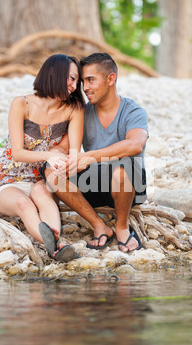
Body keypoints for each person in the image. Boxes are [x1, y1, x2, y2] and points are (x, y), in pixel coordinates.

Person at [43, 52, 148, 253]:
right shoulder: (83, 111)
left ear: (111, 79)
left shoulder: (134, 111)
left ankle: (122, 227)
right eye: (83, 81)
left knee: (121, 170)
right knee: (50, 171)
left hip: (128, 186)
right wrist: (57, 157)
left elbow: (135, 144)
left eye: (91, 80)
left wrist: (88, 157)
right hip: (93, 183)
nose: (85, 88)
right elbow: (63, 147)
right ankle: (99, 226)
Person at [0, 54, 85, 261]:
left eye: (76, 80)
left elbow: (74, 151)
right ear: (53, 72)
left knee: (41, 192)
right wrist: (51, 154)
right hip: (9, 180)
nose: (74, 85)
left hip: (42, 178)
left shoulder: (74, 109)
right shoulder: (21, 103)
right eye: (71, 78)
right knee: (25, 205)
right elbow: (17, 153)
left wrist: (63, 161)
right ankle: (57, 247)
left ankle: (56, 247)